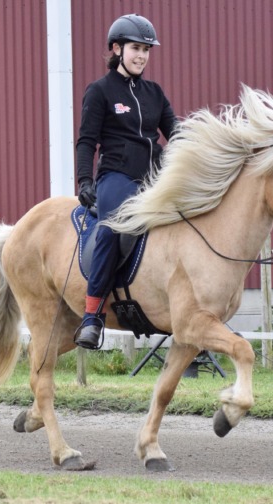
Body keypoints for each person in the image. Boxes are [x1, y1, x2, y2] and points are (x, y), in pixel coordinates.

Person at [74, 14, 177, 349]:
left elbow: (176, 134)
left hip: (154, 178)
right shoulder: (100, 91)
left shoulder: (154, 93)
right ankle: (92, 317)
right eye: (136, 48)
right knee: (111, 228)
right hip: (117, 176)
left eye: (146, 50)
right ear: (117, 49)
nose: (142, 56)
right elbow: (86, 141)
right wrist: (85, 180)